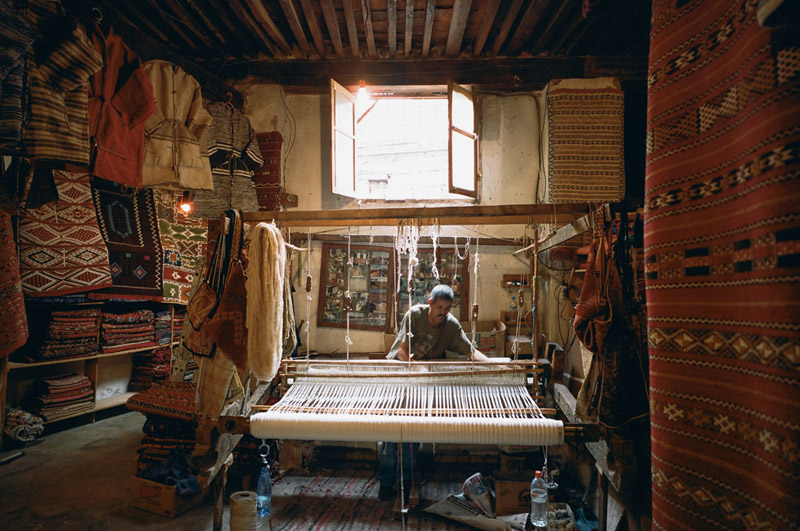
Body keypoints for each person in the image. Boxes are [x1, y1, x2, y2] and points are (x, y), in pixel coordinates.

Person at [378, 284, 490, 502]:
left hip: (423, 383)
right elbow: (402, 350)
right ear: (430, 302)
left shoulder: (451, 326)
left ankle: (406, 481)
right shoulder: (415, 316)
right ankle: (386, 483)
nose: (443, 313)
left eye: (448, 308)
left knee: (412, 433)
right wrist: (417, 367)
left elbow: (471, 352)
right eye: (440, 307)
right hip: (399, 376)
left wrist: (497, 365)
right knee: (391, 432)